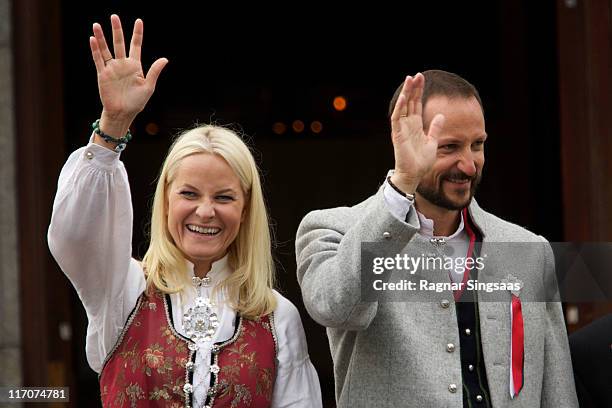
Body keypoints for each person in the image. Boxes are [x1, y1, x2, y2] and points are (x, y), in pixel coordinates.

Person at [48, 15, 322, 407]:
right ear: (166, 200)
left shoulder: (278, 317)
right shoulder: (122, 289)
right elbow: (74, 236)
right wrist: (114, 124)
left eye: (224, 197)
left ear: (246, 210)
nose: (205, 212)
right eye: (189, 194)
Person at [295, 70, 578, 407]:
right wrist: (403, 183)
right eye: (449, 148)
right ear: (403, 142)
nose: (470, 165)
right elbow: (334, 308)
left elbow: (557, 390)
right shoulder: (332, 229)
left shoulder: (531, 250)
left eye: (477, 145)